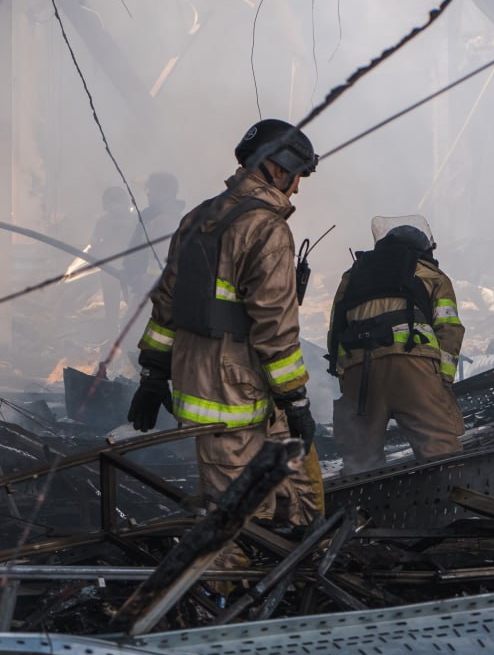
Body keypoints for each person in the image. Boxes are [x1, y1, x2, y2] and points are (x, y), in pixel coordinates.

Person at [127, 119, 325, 531]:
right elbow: (275, 326)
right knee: (235, 525)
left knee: (294, 502)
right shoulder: (267, 229)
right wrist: (297, 400)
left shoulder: (198, 217)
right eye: (297, 176)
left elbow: (167, 304)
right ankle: (229, 588)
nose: (297, 188)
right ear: (276, 169)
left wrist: (153, 373)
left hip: (224, 390)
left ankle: (286, 580)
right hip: (238, 398)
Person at [327, 217, 464, 475]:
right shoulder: (431, 274)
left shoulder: (352, 275)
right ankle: (450, 507)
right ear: (425, 249)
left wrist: (348, 383)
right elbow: (449, 330)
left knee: (361, 461)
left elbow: (336, 333)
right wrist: (441, 382)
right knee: (440, 451)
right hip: (413, 366)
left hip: (360, 371)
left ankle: (362, 511)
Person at [125, 172, 186, 300]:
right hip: (152, 286)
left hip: (151, 288)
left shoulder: (158, 219)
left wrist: (138, 275)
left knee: (138, 319)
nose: (148, 194)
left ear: (165, 193)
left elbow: (147, 251)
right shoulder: (180, 218)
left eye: (150, 190)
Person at [89, 186, 138, 332]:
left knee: (116, 305)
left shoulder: (106, 220)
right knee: (127, 304)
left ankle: (117, 332)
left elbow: (94, 242)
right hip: (121, 269)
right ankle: (120, 333)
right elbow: (94, 242)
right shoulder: (133, 219)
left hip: (120, 269)